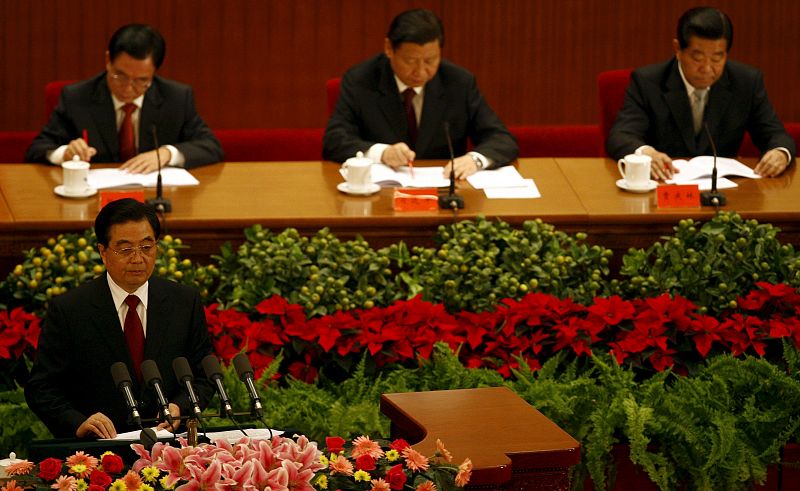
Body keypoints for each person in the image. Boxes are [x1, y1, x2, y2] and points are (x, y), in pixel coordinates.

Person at [25, 198, 214, 439]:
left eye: (147, 247)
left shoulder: (184, 302)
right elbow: (42, 388)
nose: (138, 258)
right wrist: (79, 423)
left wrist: (180, 407)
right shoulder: (71, 309)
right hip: (99, 453)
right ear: (103, 252)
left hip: (168, 447)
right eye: (125, 249)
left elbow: (204, 375)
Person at [323, 8, 518, 180]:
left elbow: (501, 138)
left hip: (445, 193)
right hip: (382, 193)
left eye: (430, 60)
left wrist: (474, 160)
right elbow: (335, 140)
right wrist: (382, 153)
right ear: (389, 49)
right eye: (410, 61)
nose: (421, 71)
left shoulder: (459, 82)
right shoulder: (361, 80)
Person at [606, 7, 795, 181]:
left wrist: (780, 153)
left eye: (717, 58)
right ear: (678, 49)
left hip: (725, 192)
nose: (707, 68)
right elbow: (621, 135)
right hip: (663, 188)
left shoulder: (746, 82)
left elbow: (776, 134)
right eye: (697, 57)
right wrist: (646, 153)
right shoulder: (648, 82)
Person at [25, 24, 223, 173]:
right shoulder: (76, 97)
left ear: (154, 73)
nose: (128, 88)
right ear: (107, 61)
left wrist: (166, 153)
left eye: (141, 81)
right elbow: (38, 148)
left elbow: (211, 146)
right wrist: (65, 153)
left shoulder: (177, 98)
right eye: (120, 76)